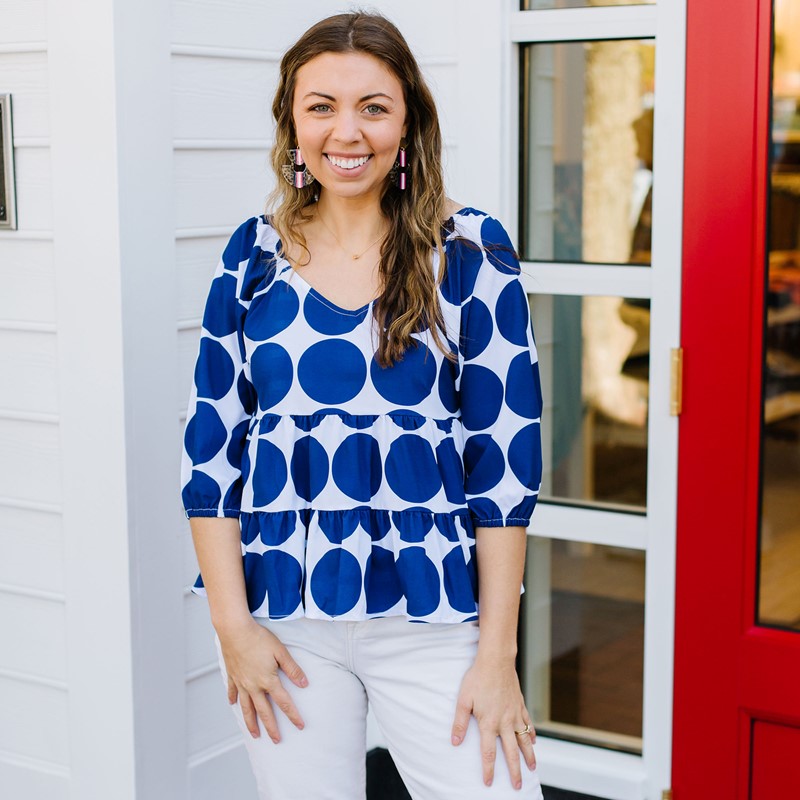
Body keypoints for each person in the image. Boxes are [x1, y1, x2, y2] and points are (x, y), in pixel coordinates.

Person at [181, 11, 544, 799]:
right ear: (293, 121)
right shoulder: (250, 258)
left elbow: (506, 469)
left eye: (373, 107)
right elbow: (210, 459)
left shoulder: (472, 252)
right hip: (282, 617)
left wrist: (497, 654)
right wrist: (232, 627)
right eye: (322, 106)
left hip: (436, 616)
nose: (348, 131)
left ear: (408, 119)